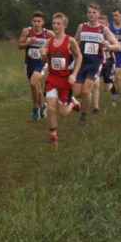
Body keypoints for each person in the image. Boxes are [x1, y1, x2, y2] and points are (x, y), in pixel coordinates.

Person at [73, 4, 121, 126]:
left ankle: (83, 117)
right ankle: (80, 104)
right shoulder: (81, 27)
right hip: (82, 62)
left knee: (86, 91)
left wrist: (109, 46)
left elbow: (118, 46)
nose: (91, 15)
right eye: (89, 12)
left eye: (94, 12)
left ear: (98, 14)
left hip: (95, 63)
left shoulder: (103, 29)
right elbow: (74, 41)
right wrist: (73, 50)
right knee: (77, 93)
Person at [42, 12, 82, 144]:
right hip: (52, 78)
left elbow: (79, 57)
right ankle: (53, 136)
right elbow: (44, 60)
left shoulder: (70, 41)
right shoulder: (49, 41)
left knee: (63, 113)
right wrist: (42, 54)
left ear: (64, 25)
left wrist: (74, 74)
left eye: (58, 24)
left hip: (65, 80)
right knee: (51, 107)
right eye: (54, 23)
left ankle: (73, 103)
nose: (55, 26)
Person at [17, 11, 54, 121]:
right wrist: (28, 43)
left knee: (33, 83)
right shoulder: (27, 31)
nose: (36, 23)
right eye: (34, 21)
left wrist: (46, 50)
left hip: (42, 62)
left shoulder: (48, 33)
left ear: (43, 23)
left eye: (39, 21)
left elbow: (57, 44)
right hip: (29, 62)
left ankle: (36, 108)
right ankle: (42, 106)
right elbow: (20, 46)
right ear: (31, 22)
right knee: (34, 85)